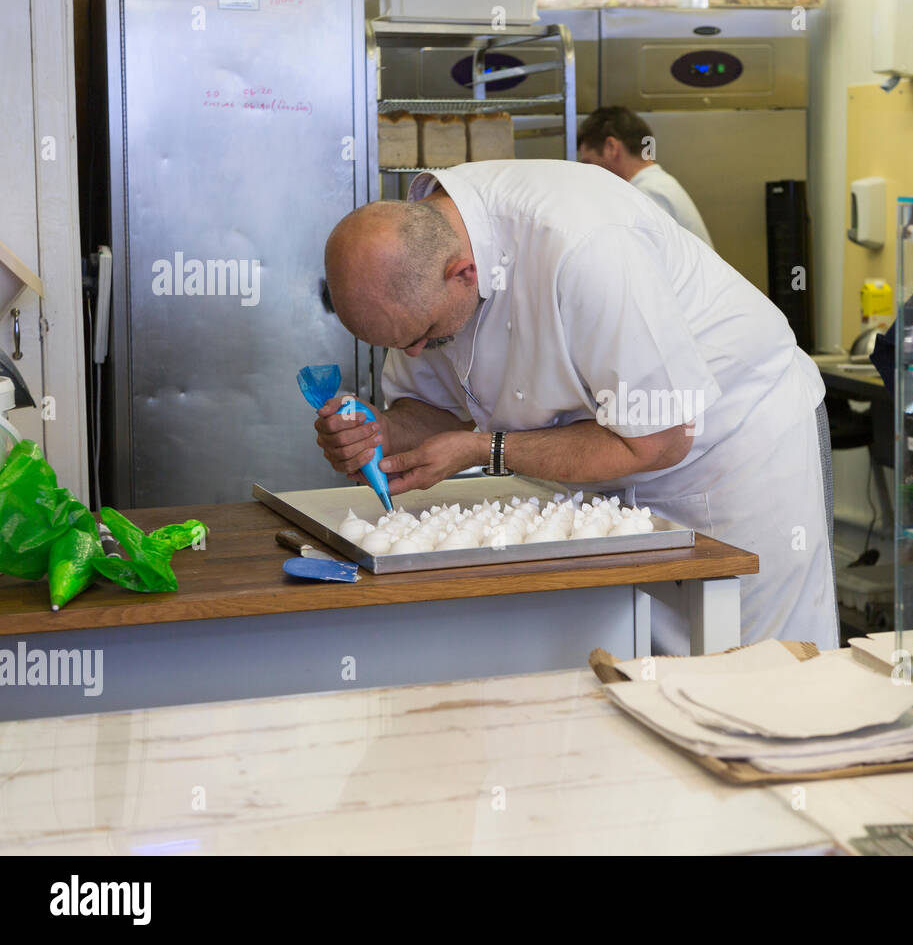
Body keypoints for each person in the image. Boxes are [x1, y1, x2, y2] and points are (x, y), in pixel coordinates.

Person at [317, 159, 836, 652]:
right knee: (636, 669)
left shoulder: (584, 245)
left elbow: (656, 439)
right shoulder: (427, 256)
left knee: (755, 667)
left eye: (425, 336)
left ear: (464, 274)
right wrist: (381, 431)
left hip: (731, 452)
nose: (411, 354)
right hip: (608, 464)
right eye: (397, 343)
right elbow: (431, 410)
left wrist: (486, 449)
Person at [576, 106, 714, 248]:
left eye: (589, 163)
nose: (589, 171)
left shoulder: (646, 195)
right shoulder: (657, 184)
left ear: (611, 147)